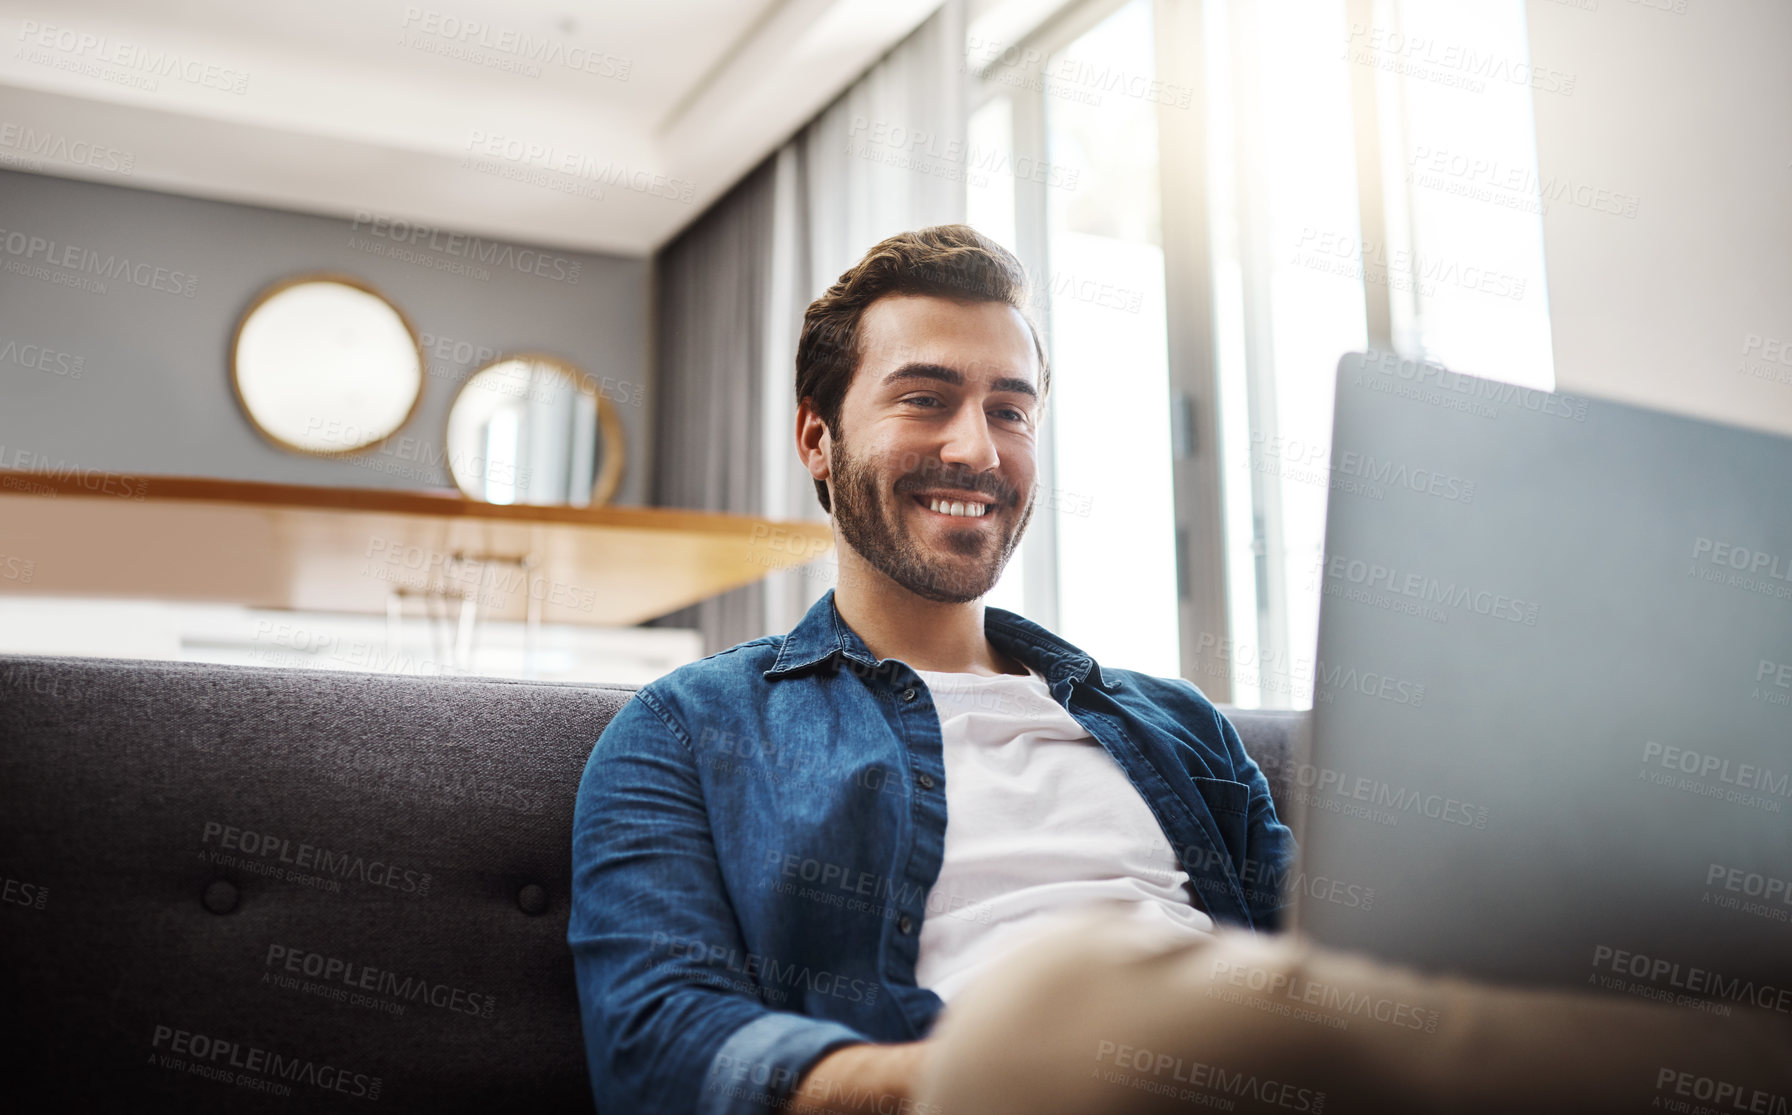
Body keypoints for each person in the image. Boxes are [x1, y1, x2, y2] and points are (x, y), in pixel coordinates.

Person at [569, 225, 1792, 1115]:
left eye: (1010, 408)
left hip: (1271, 1059)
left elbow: (1334, 966)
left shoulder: (1169, 720)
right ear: (817, 439)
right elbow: (661, 1046)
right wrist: (974, 1077)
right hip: (1001, 1060)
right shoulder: (688, 727)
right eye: (925, 399)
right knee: (1060, 1002)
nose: (974, 446)